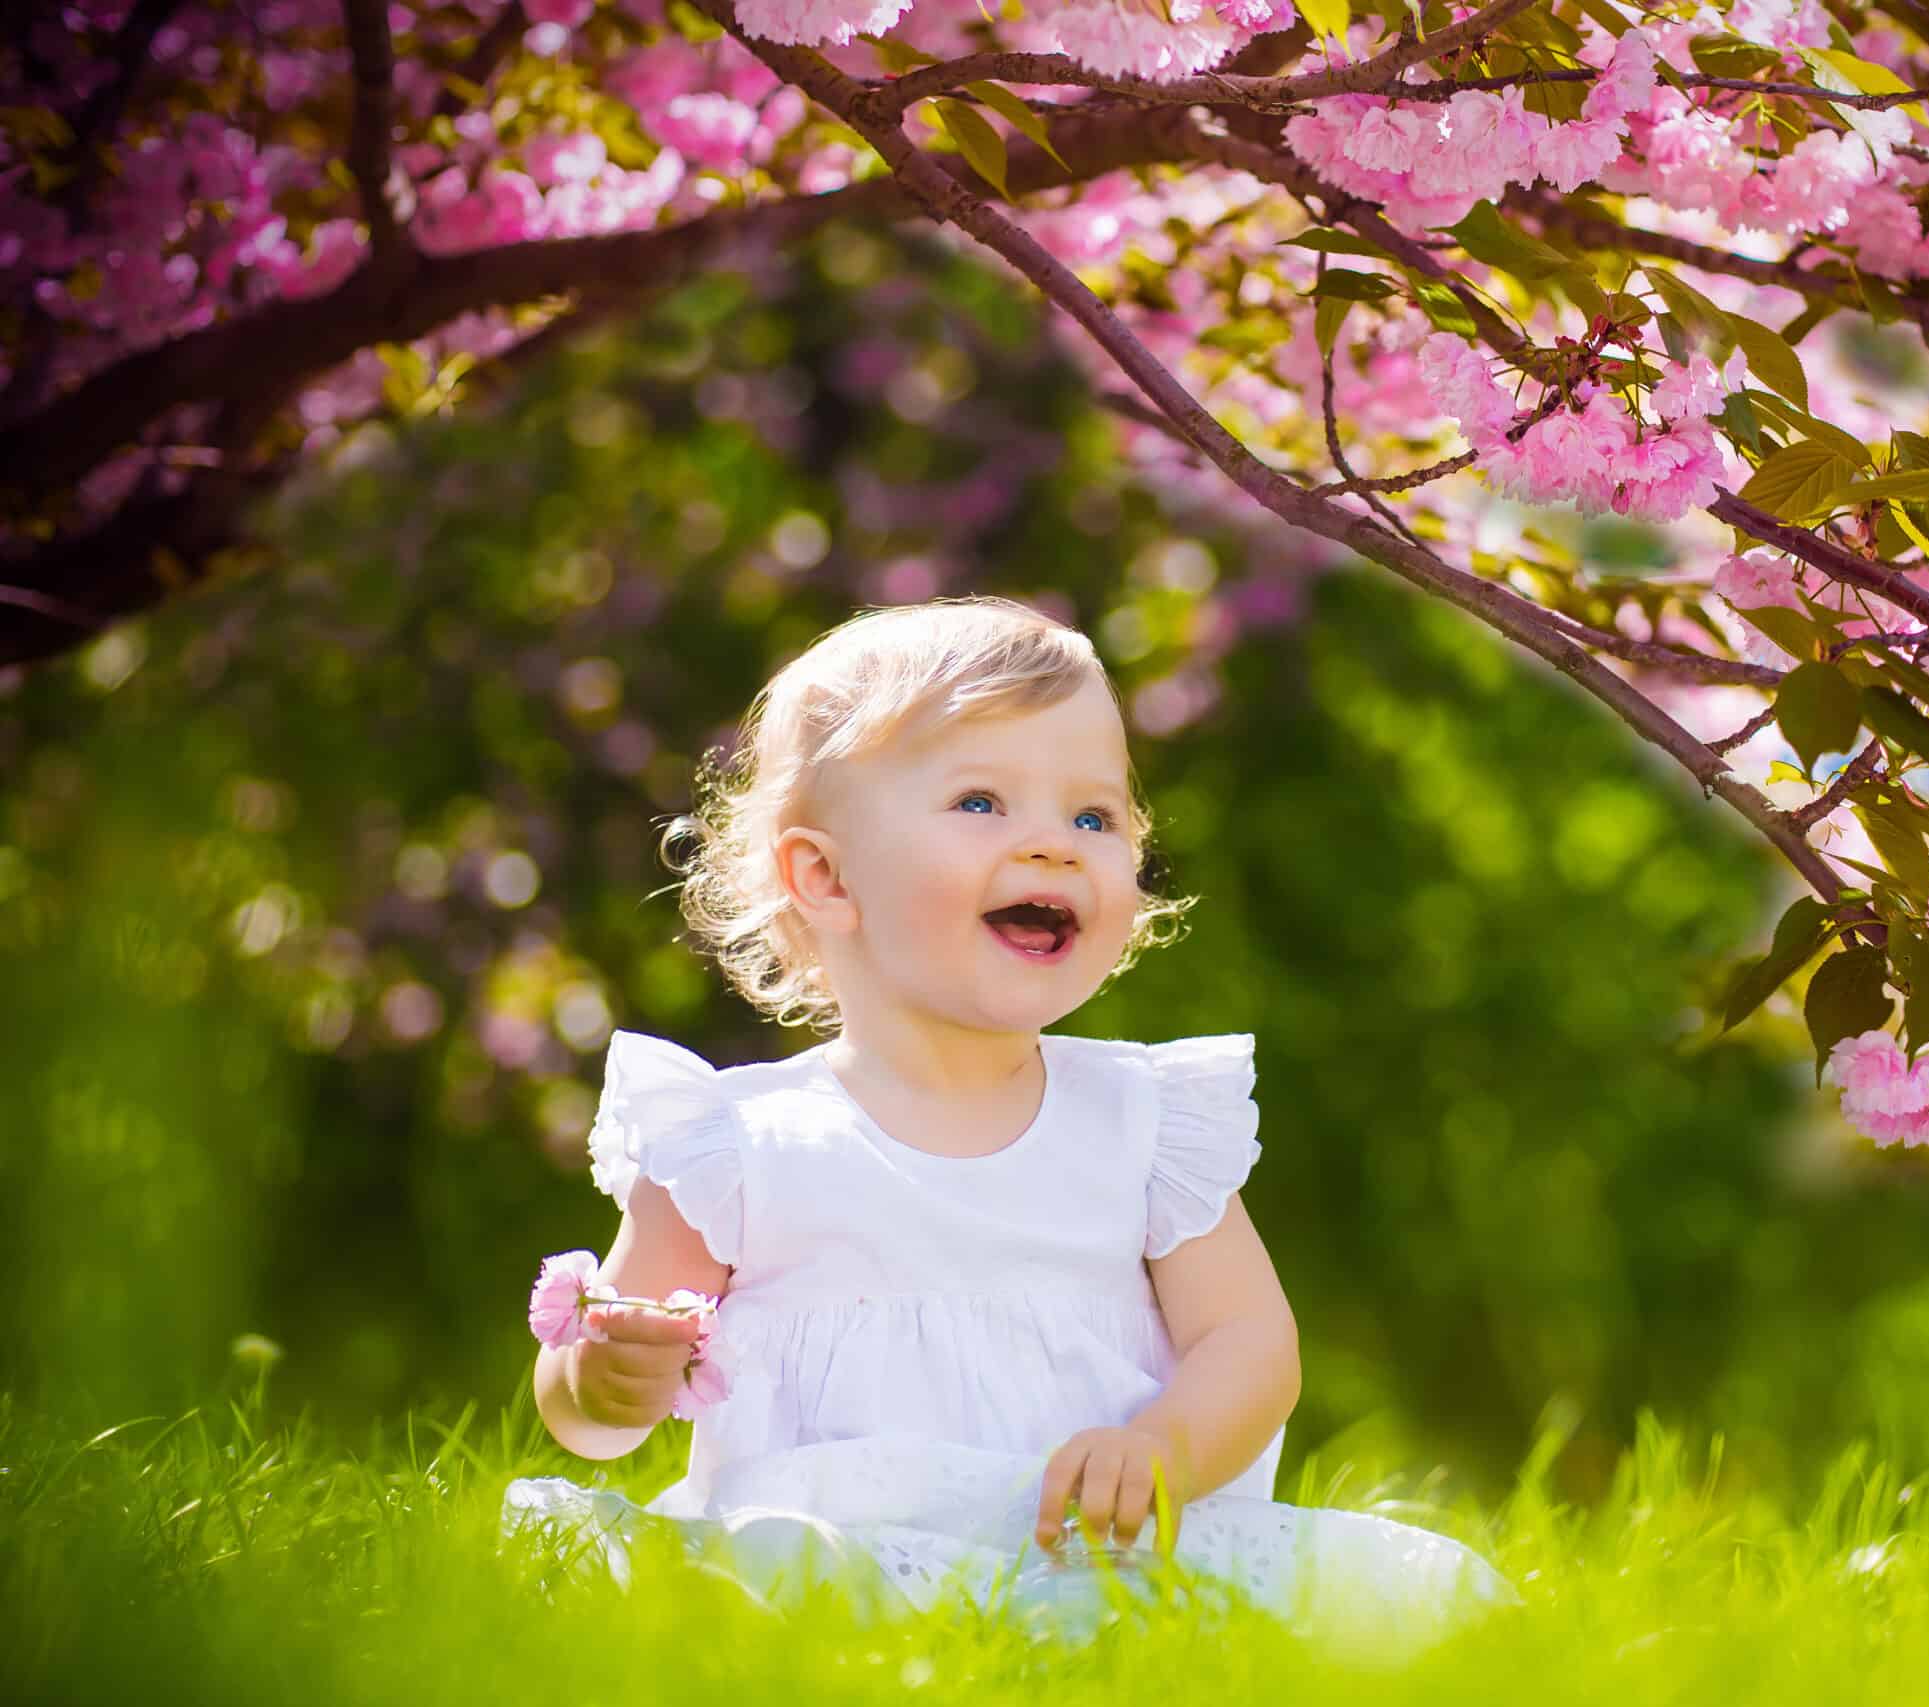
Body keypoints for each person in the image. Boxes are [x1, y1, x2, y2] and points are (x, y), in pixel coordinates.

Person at [500, 595, 1517, 1656]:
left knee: (1401, 1596)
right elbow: (589, 1406)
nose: (1054, 847)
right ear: (827, 875)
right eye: (982, 802)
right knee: (776, 1570)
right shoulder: (738, 1145)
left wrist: (1162, 1448)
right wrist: (610, 1376)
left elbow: (1250, 1343)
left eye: (1095, 818)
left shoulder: (1142, 1123)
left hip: (1092, 1549)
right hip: (839, 1535)